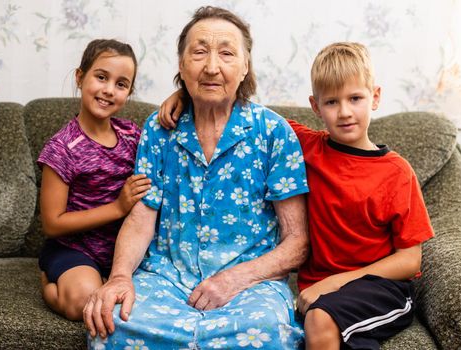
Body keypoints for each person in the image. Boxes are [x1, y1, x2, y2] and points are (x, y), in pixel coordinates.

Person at [83, 6, 309, 349]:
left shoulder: (274, 132)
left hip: (250, 286)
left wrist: (235, 279)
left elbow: (297, 241)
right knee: (111, 325)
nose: (212, 67)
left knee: (269, 336)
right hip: (166, 278)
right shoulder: (159, 130)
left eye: (227, 53)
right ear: (181, 65)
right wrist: (119, 277)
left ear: (246, 65)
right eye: (199, 52)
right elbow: (143, 216)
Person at [288, 42, 434, 349]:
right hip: (319, 293)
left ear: (375, 97)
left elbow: (410, 260)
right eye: (331, 102)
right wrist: (183, 94)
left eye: (355, 98)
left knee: (319, 318)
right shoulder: (308, 147)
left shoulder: (397, 172)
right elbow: (239, 109)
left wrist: (336, 282)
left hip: (383, 290)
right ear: (316, 107)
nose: (344, 112)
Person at [37, 39, 151, 320]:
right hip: (75, 249)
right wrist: (117, 208)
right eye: (101, 77)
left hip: (123, 254)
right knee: (85, 305)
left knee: (143, 309)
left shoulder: (132, 135)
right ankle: (50, 283)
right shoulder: (62, 148)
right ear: (80, 77)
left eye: (121, 84)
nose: (109, 90)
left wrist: (177, 99)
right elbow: (52, 223)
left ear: (129, 92)